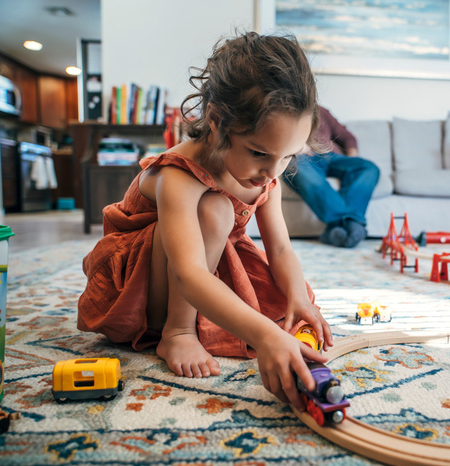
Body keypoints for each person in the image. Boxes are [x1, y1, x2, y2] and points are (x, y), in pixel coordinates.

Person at [77, 32, 333, 412]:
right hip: (141, 279)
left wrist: (297, 295)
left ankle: (199, 321)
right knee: (216, 211)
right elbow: (189, 273)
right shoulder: (177, 174)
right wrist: (263, 337)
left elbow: (280, 247)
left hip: (204, 263)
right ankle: (176, 331)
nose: (271, 171)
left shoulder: (268, 174)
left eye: (287, 156)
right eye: (260, 152)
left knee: (294, 302)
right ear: (215, 121)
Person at [284, 106, 380, 248]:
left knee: (369, 168)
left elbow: (348, 137)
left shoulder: (321, 111)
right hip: (302, 158)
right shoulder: (281, 110)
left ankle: (337, 229)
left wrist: (351, 159)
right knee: (299, 171)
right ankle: (353, 223)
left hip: (331, 157)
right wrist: (297, 146)